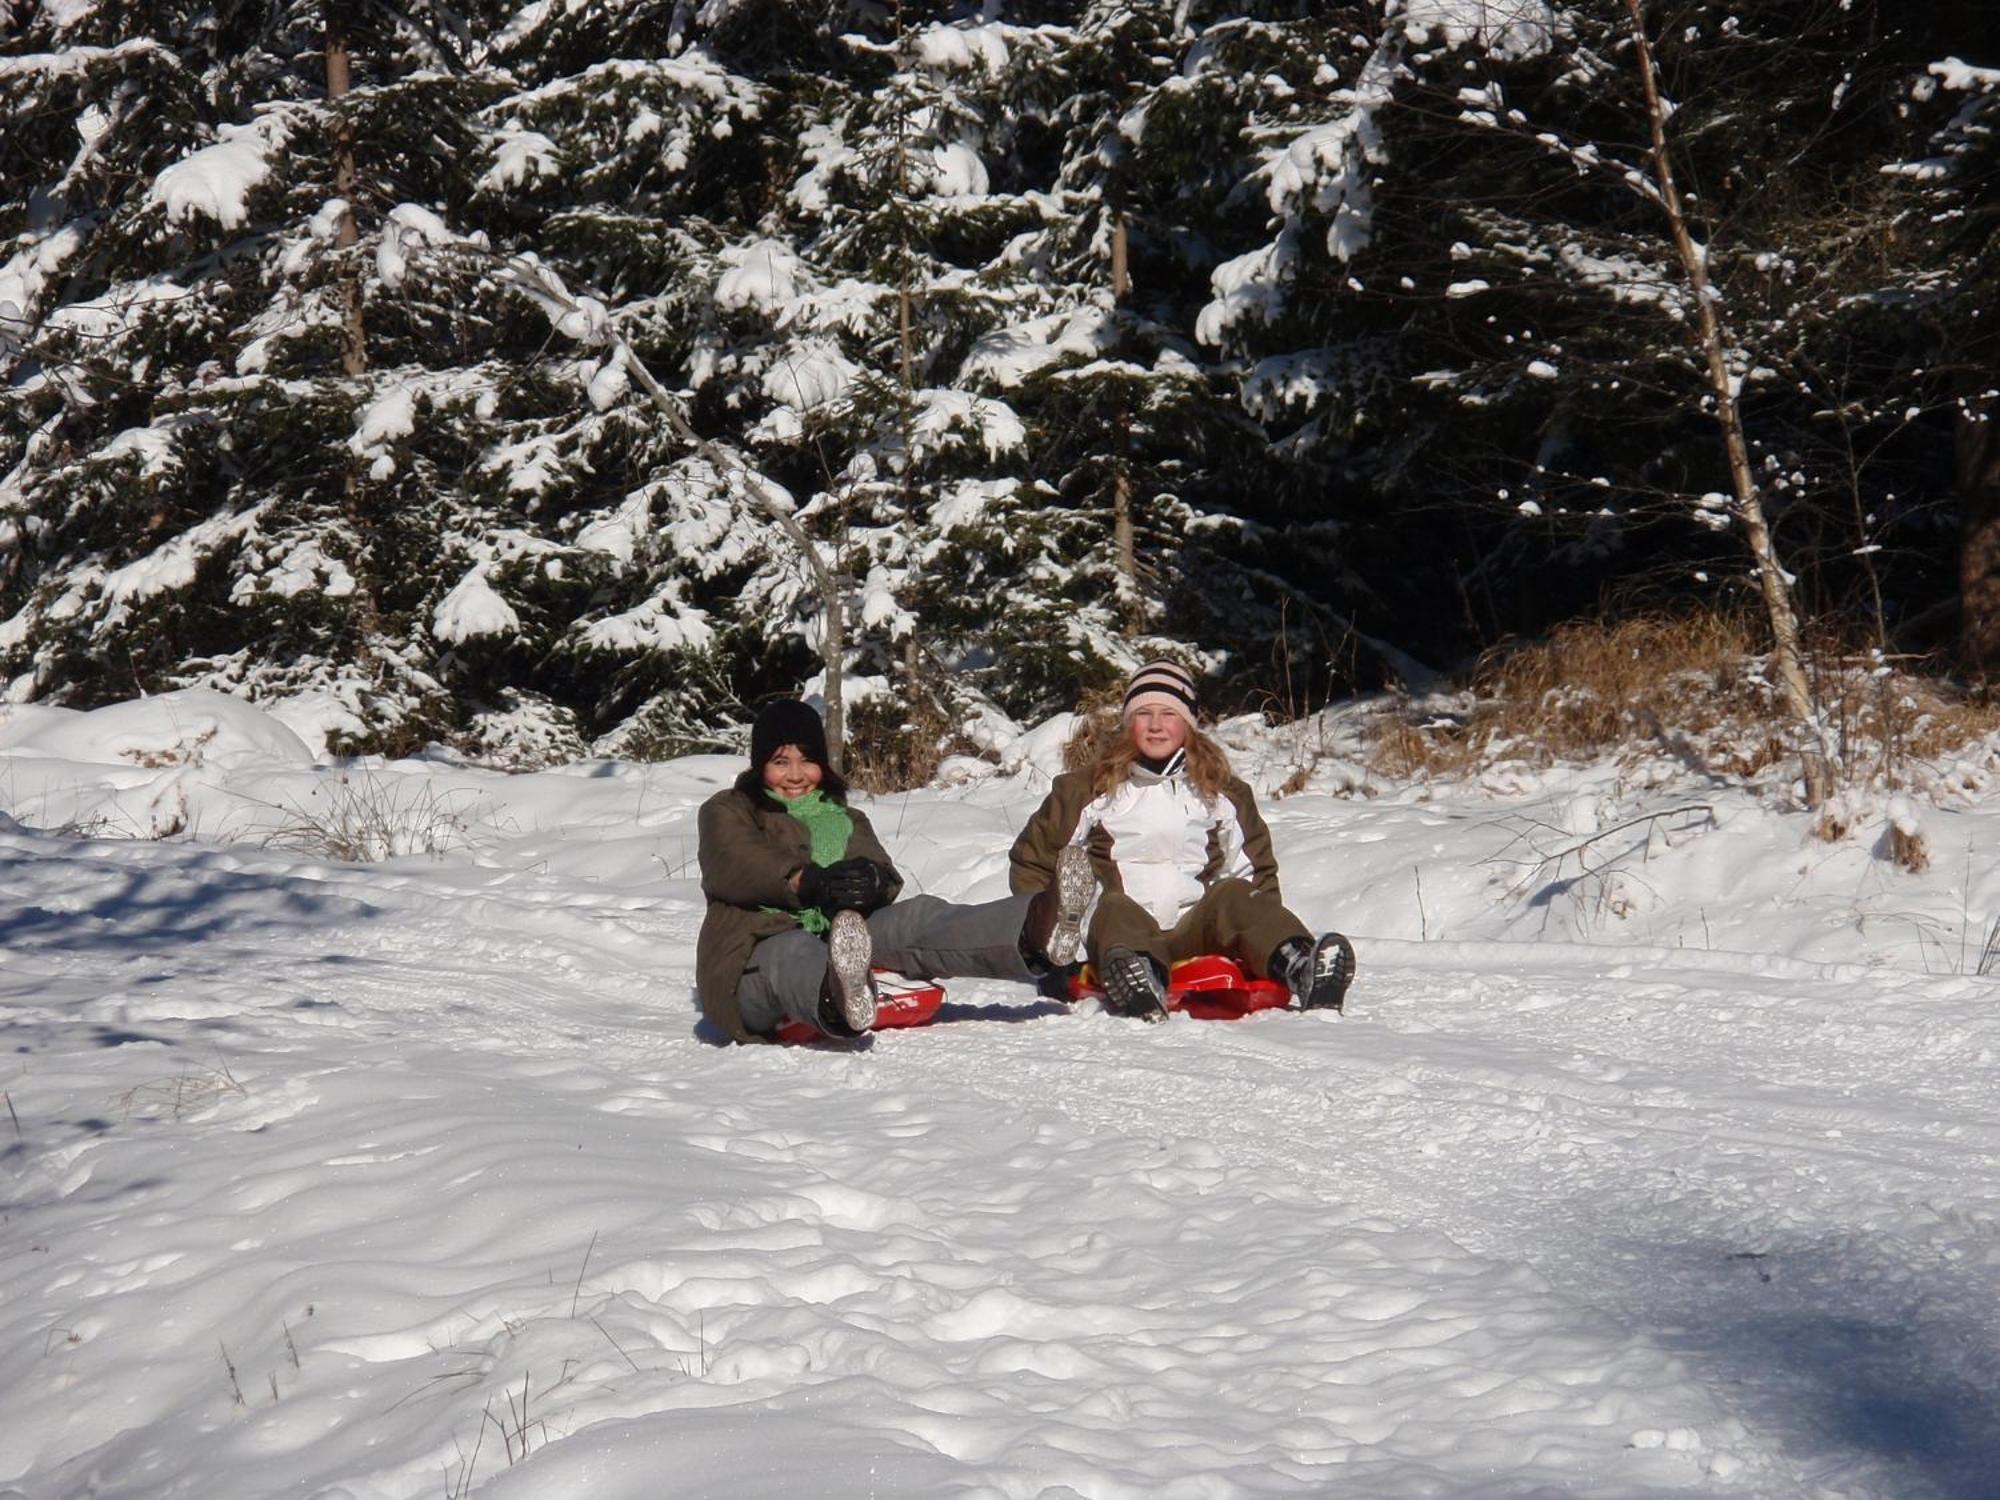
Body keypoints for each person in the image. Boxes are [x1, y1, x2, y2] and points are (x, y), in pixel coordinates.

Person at [696, 700, 1095, 1043]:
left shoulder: (843, 817)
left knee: (917, 917)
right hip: (753, 957)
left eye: (808, 760)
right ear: (759, 765)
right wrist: (806, 880)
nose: (796, 774)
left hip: (842, 937)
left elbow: (880, 869)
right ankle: (840, 994)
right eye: (781, 762)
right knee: (794, 951)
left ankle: (1033, 930)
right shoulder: (729, 809)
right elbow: (734, 860)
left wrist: (870, 881)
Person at [1009, 659, 1356, 1022]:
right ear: (1129, 723)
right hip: (1117, 935)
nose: (1156, 725)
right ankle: (1136, 977)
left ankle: (1298, 965)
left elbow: (1256, 874)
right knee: (1114, 905)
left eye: (1168, 714)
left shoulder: (1223, 793)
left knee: (1236, 893)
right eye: (1144, 713)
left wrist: (1254, 950)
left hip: (1194, 933)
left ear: (1188, 724)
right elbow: (1036, 861)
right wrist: (1044, 949)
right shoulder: (1087, 789)